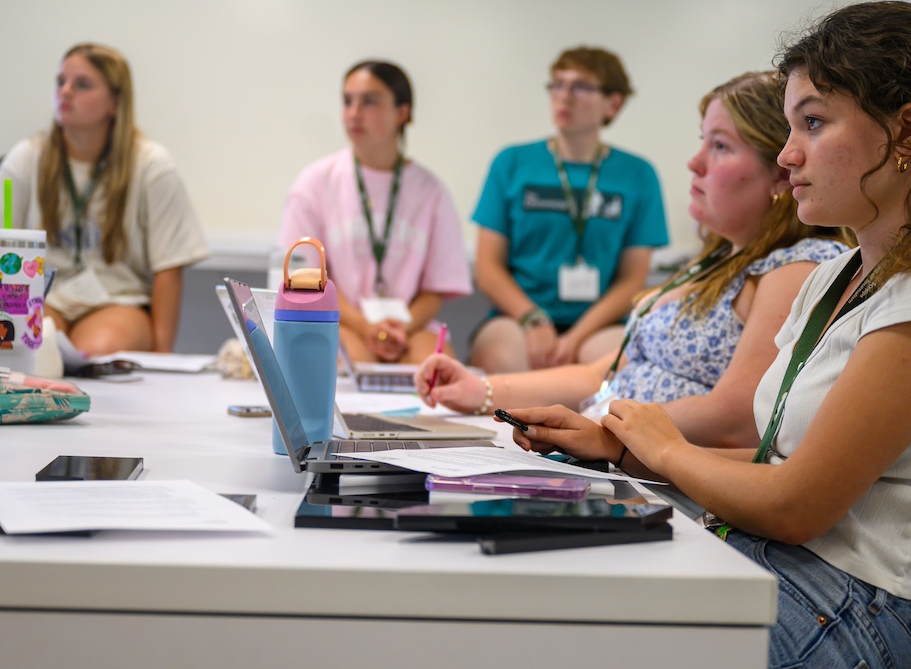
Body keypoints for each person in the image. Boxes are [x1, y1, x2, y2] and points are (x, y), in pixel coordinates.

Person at [507, 2, 911, 669]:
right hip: (780, 565)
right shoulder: (837, 277)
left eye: (813, 123)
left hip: (847, 608)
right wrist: (620, 449)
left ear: (905, 131)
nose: (788, 155)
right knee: (532, 601)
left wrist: (665, 450)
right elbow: (778, 470)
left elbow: (795, 506)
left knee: (554, 635)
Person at [418, 72, 848, 448]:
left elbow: (734, 420)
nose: (694, 163)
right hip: (611, 446)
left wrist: (597, 431)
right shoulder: (716, 262)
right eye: (702, 141)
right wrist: (482, 390)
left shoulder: (796, 267)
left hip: (648, 470)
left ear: (778, 171)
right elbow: (599, 377)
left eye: (719, 146)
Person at [0, 44, 209, 355]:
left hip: (117, 301)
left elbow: (168, 269)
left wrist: (162, 360)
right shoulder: (25, 158)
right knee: (35, 346)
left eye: (82, 84)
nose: (65, 92)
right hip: (44, 298)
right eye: (61, 82)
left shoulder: (151, 165)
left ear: (115, 102)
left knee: (96, 351)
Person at [470, 46, 669, 374]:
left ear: (613, 103)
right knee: (508, 364)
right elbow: (487, 268)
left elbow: (632, 279)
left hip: (597, 325)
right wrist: (533, 320)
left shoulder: (638, 174)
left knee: (622, 369)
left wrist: (576, 336)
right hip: (519, 319)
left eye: (581, 87)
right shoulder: (512, 162)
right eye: (558, 84)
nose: (564, 96)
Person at [278, 60, 471, 365]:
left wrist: (400, 327)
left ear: (402, 113)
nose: (353, 113)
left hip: (408, 326)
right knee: (346, 360)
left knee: (437, 366)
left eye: (369, 101)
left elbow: (435, 289)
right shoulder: (315, 182)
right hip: (340, 320)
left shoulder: (431, 192)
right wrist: (366, 326)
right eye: (347, 101)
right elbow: (307, 278)